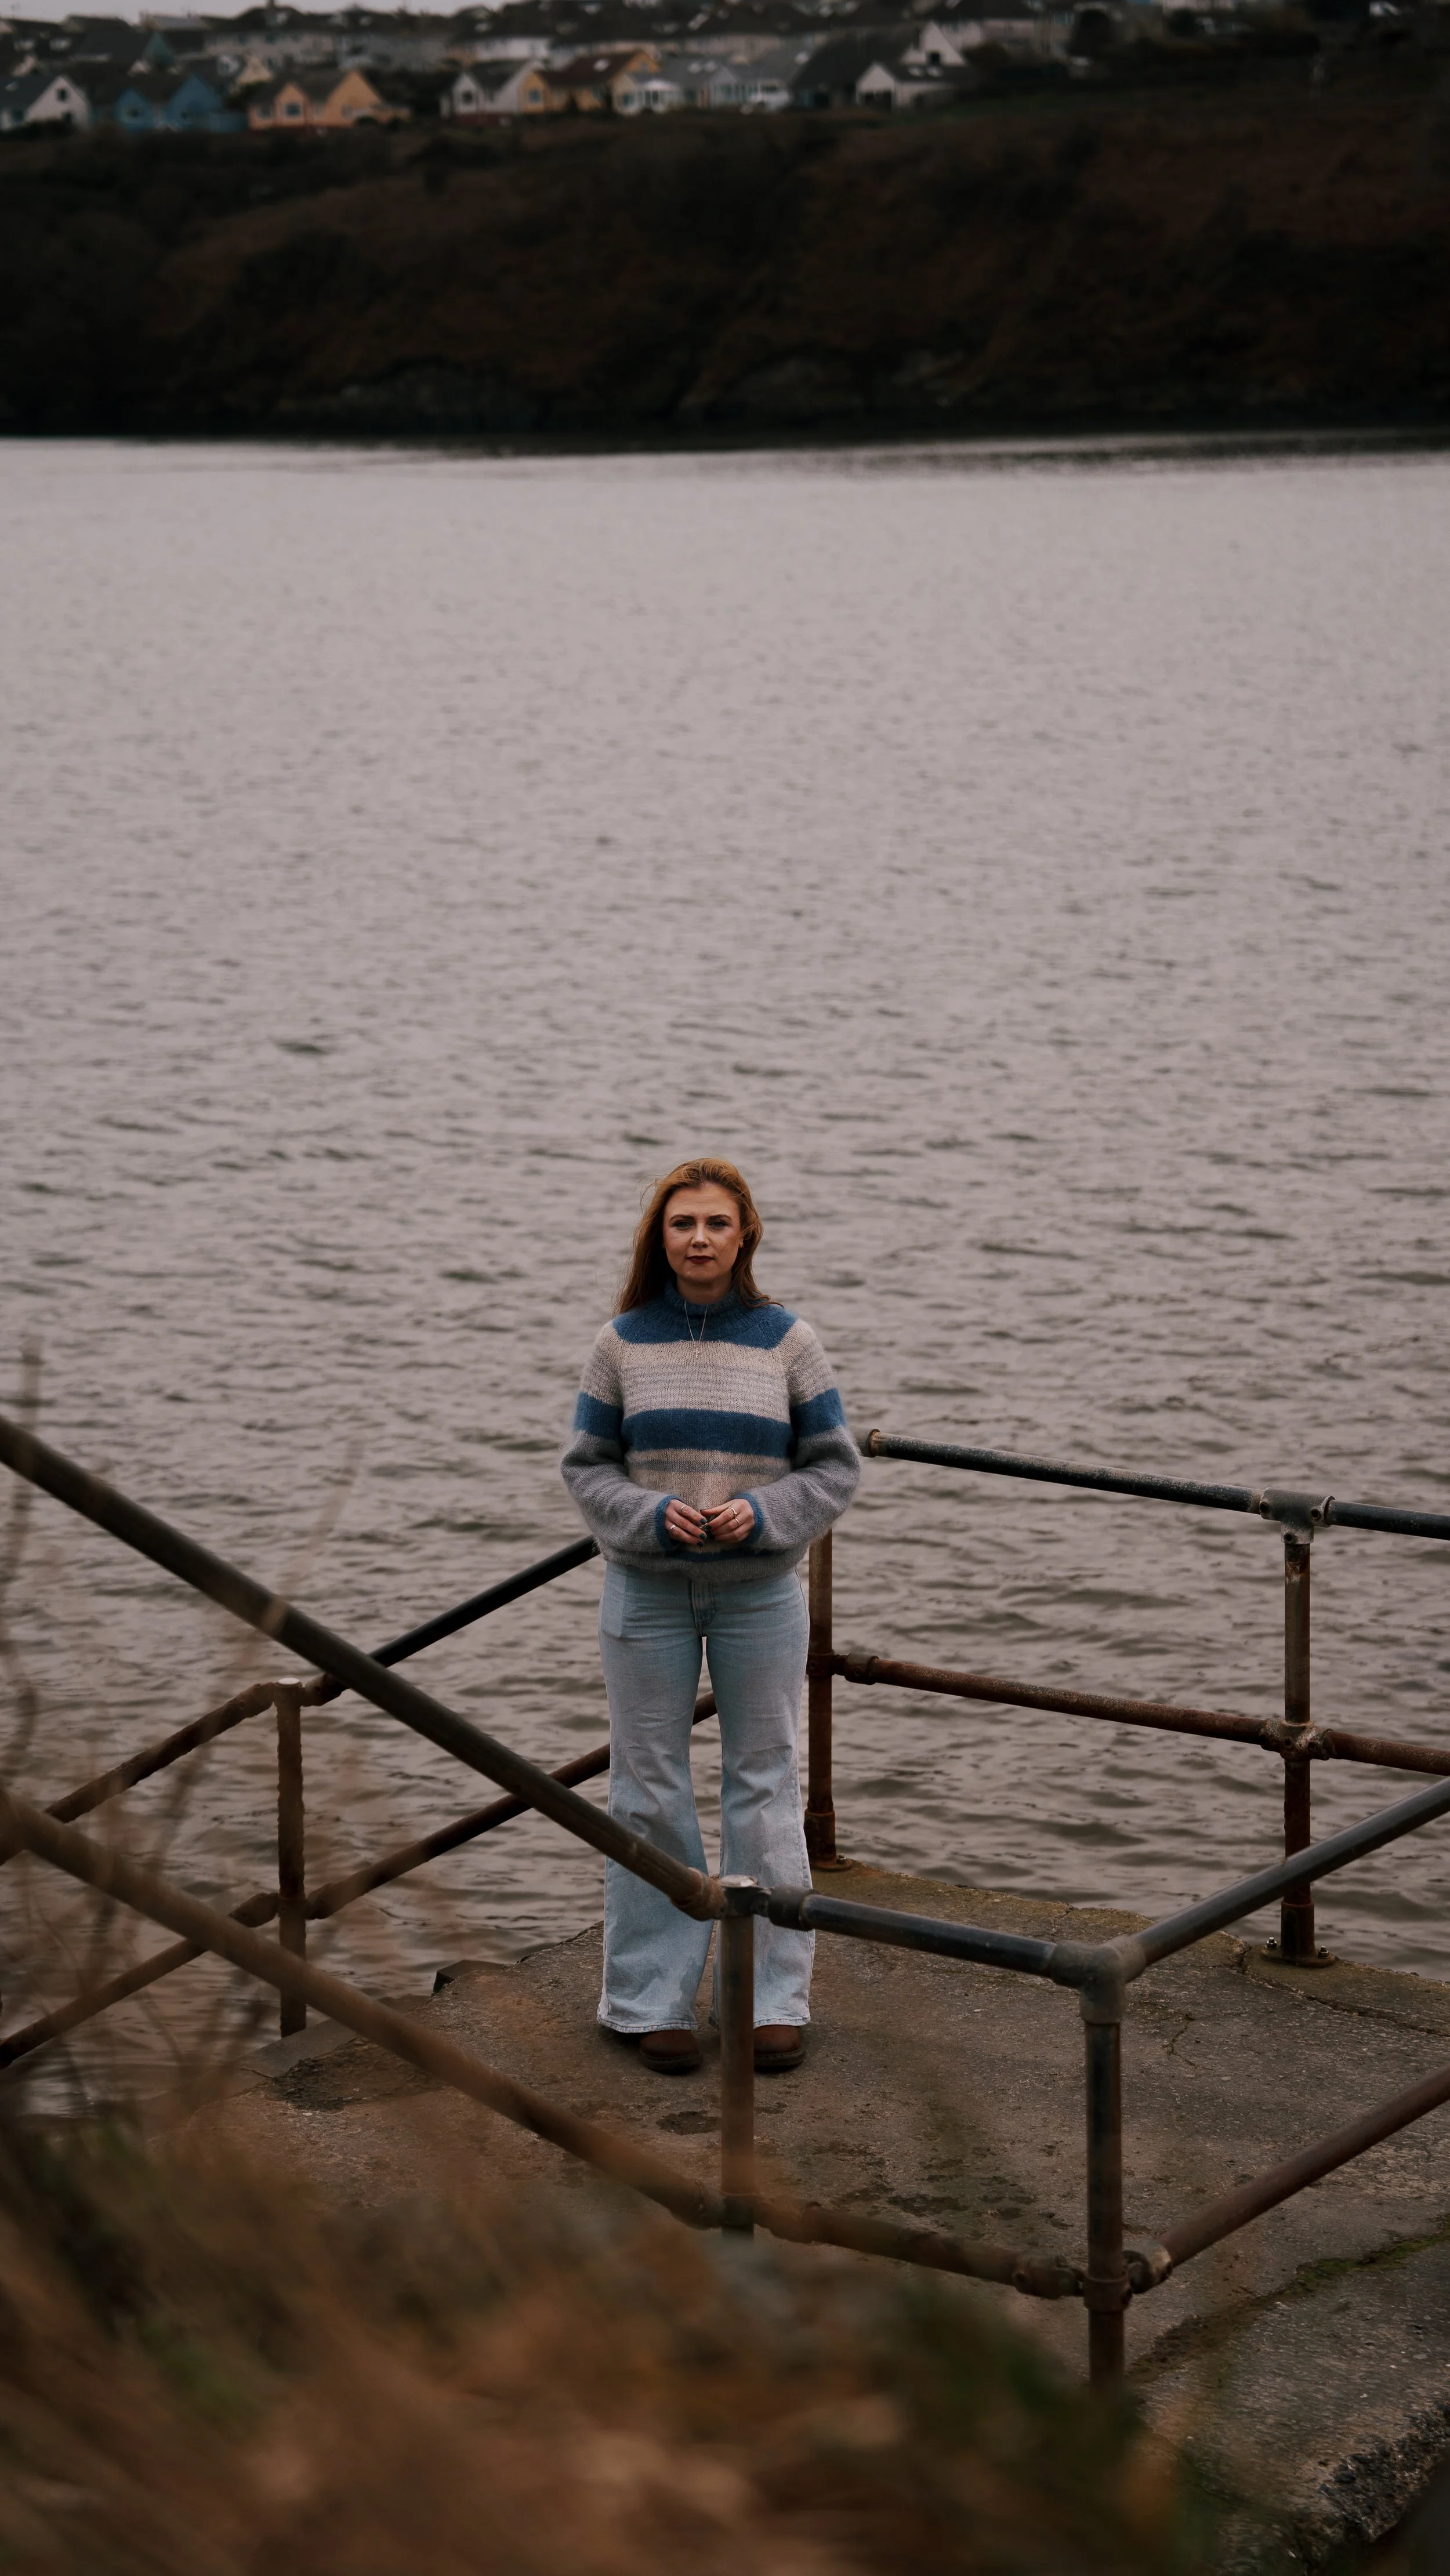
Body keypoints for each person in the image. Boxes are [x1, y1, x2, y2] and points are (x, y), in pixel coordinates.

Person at [561, 1158, 860, 2076]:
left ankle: (770, 1997)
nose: (698, 1238)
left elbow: (835, 1467)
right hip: (645, 1591)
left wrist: (765, 1514)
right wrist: (650, 1515)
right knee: (645, 1787)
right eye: (682, 1223)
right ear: (661, 1237)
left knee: (764, 1782)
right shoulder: (621, 1344)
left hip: (759, 1592)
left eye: (716, 1223)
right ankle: (648, 1999)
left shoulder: (787, 1342)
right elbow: (585, 1468)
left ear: (746, 1235)